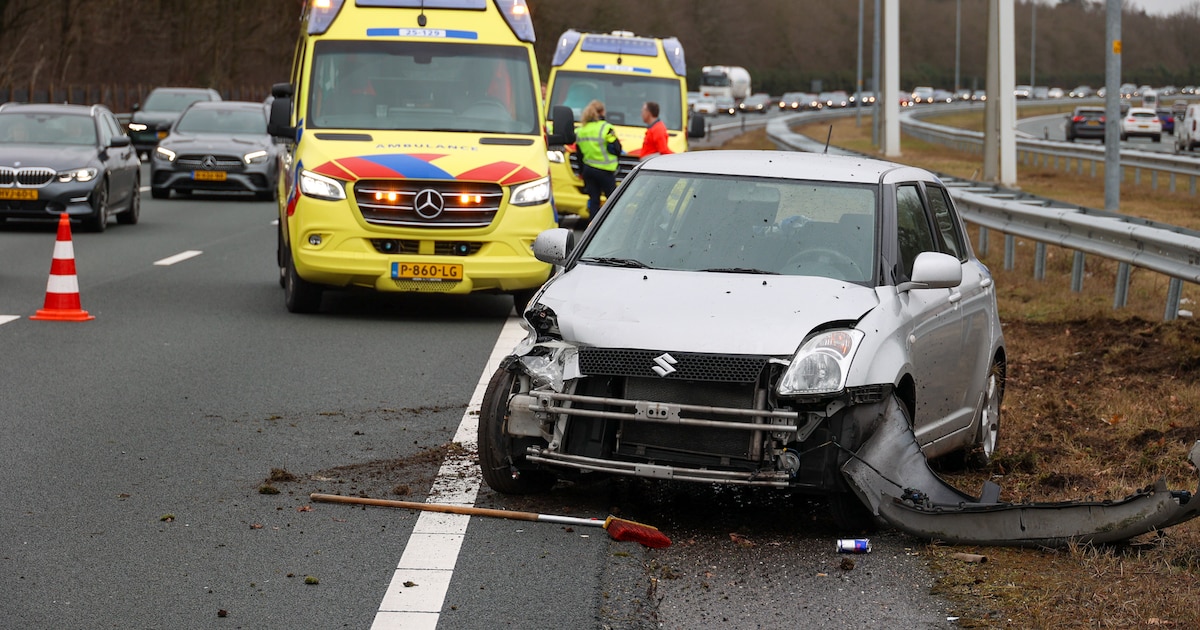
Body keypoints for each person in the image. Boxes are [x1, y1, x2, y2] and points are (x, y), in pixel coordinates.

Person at [573, 99, 621, 229]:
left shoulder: (581, 130)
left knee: (594, 201)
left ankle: (592, 228)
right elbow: (617, 149)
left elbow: (579, 154)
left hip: (588, 170)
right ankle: (613, 227)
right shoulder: (606, 128)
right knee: (613, 200)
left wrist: (581, 172)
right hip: (605, 170)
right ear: (601, 112)